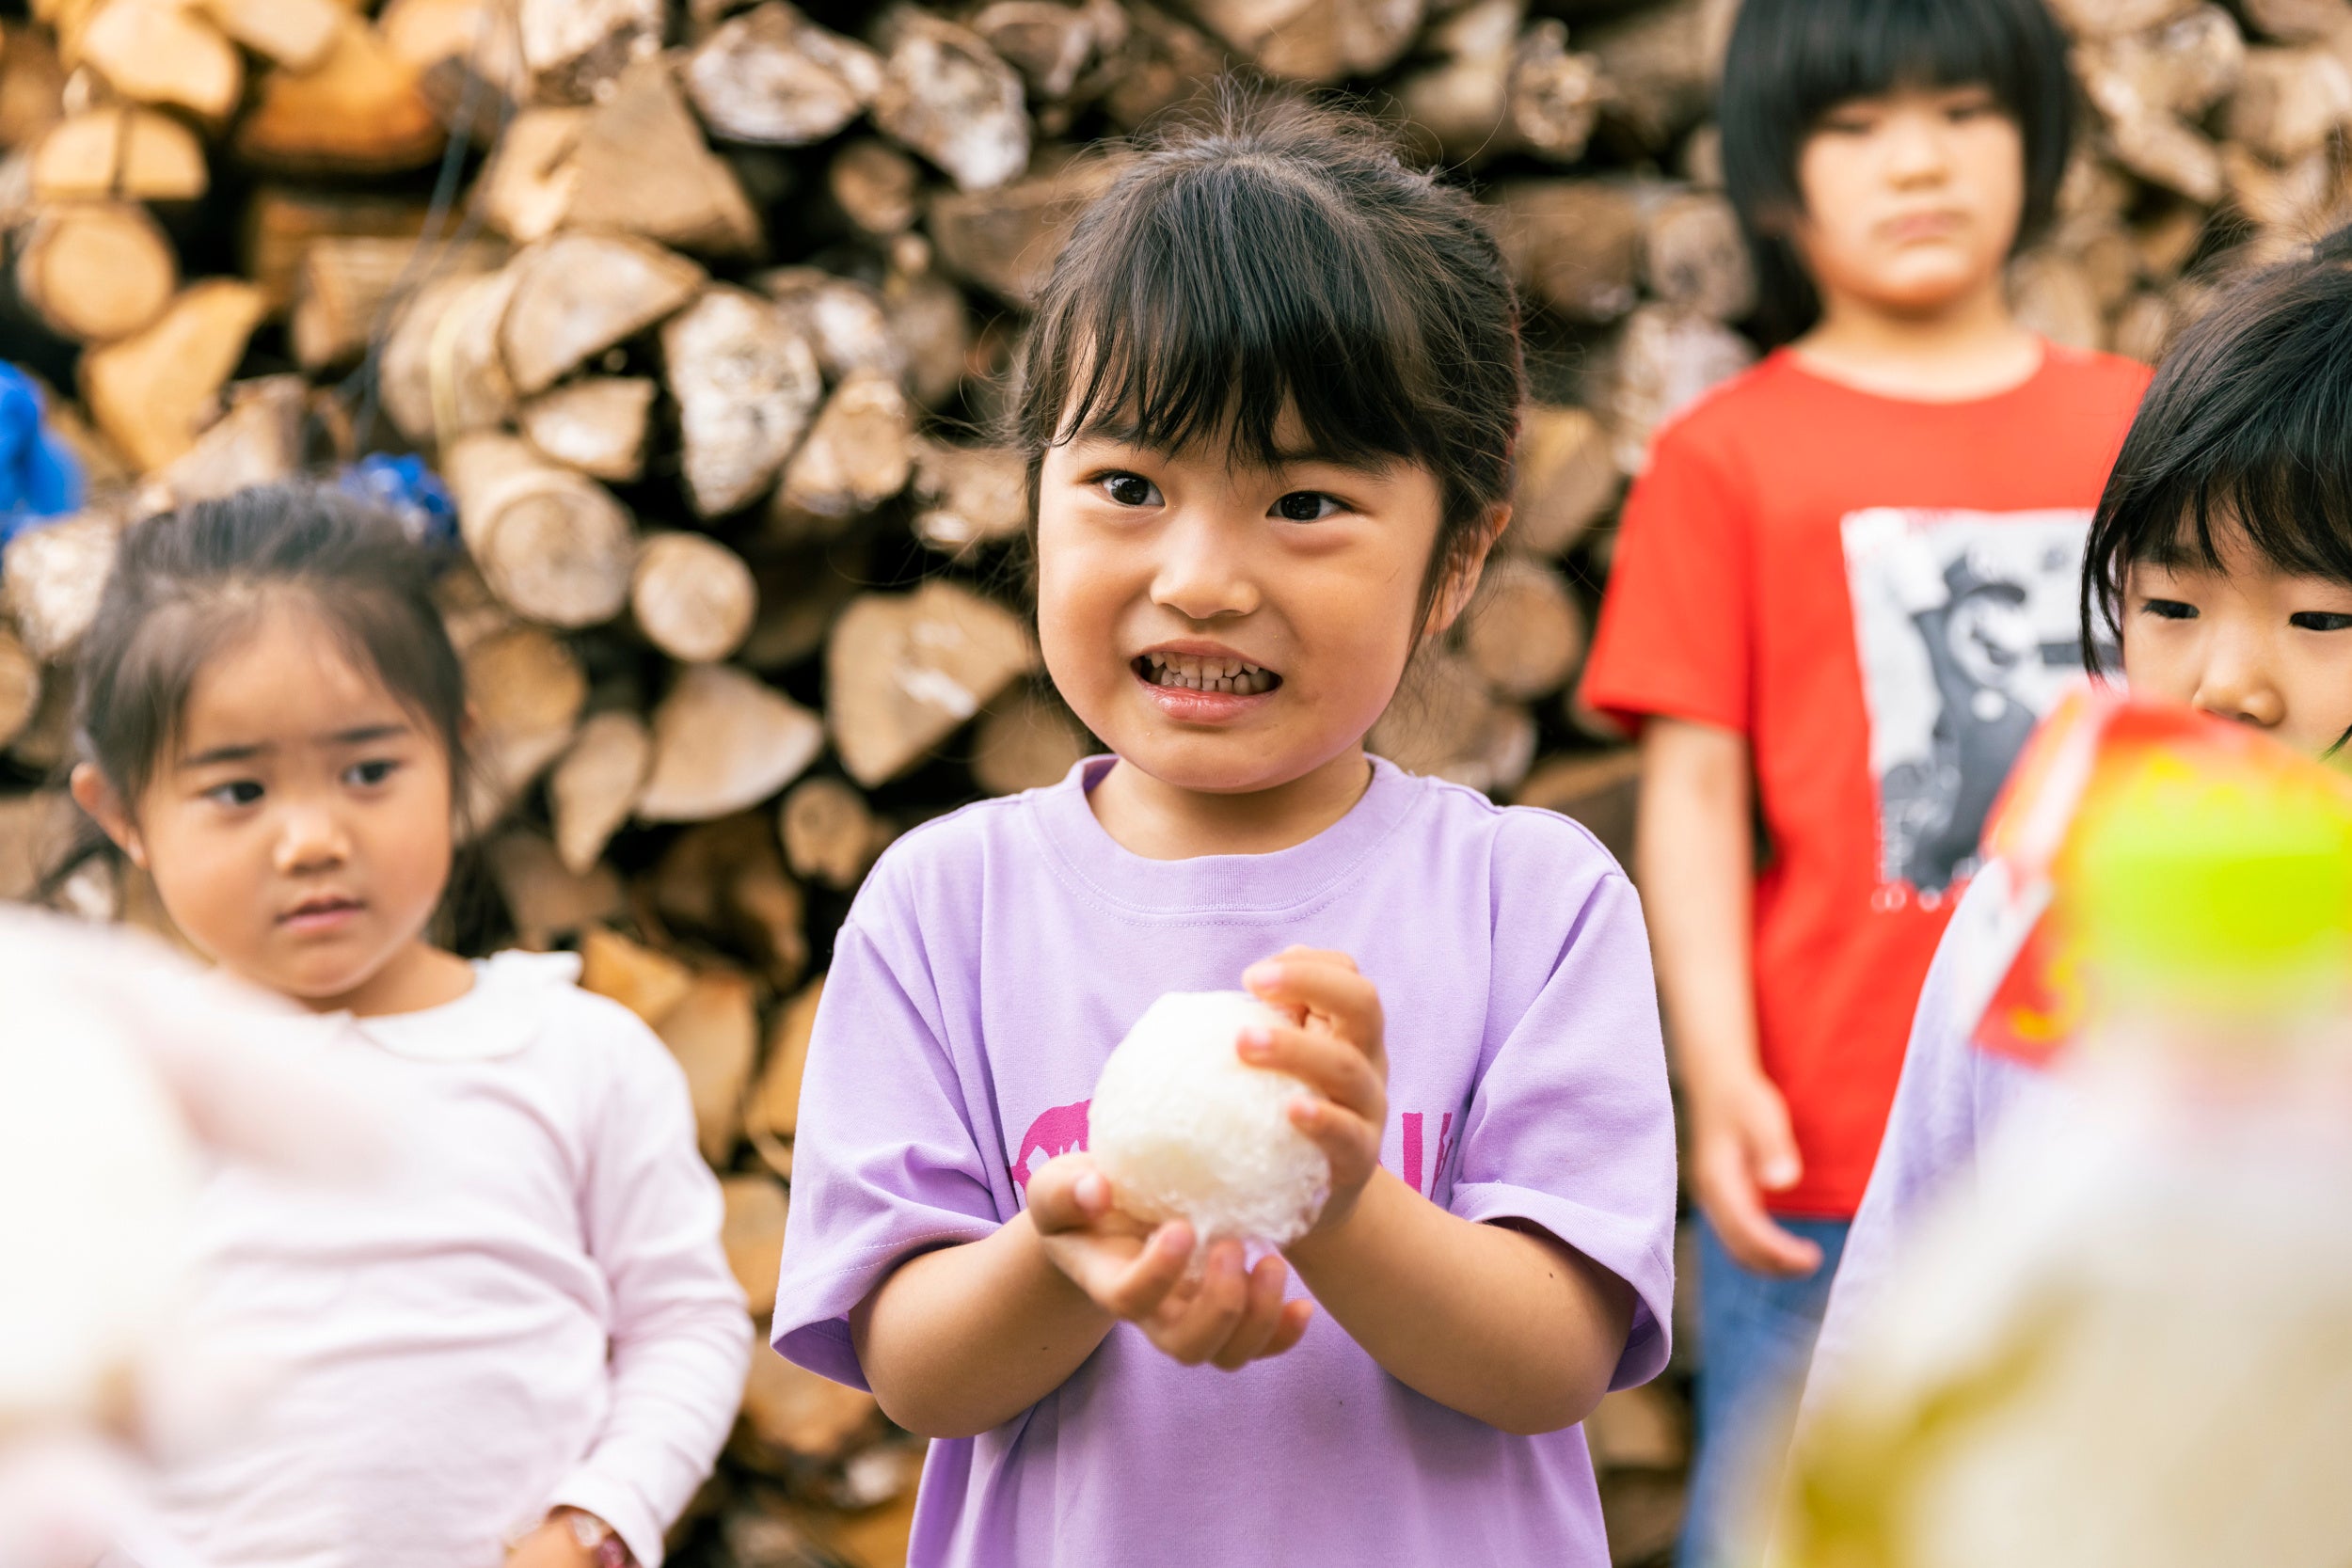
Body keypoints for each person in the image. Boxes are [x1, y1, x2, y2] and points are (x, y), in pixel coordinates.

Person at [771, 97, 1677, 1568]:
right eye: (1128, 487)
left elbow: (1554, 1354)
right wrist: (1065, 1247)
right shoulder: (949, 903)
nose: (1200, 579)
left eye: (1305, 501)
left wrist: (1331, 1196)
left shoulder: (1534, 898)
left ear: (1455, 563)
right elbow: (913, 1367)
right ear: (1034, 500)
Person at [1575, 0, 2149, 1558]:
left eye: (1963, 111)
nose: (1918, 160)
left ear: (2036, 140)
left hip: (2121, 1107)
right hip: (1829, 1119)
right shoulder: (1726, 455)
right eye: (1855, 125)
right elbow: (1693, 797)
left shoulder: (2146, 425)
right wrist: (1722, 1074)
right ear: (1776, 175)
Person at [61, 483, 750, 1568]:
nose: (311, 838)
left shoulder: (575, 1054)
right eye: (238, 790)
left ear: (456, 756)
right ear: (124, 816)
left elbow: (685, 1322)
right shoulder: (118, 1090)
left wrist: (598, 1517)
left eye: (370, 771)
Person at [1808, 225, 2352, 1402]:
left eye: (2319, 621)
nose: (2228, 684)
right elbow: (1910, 1257)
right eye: (2169, 604)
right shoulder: (2039, 898)